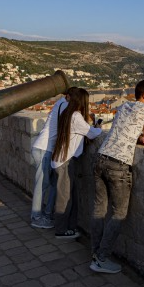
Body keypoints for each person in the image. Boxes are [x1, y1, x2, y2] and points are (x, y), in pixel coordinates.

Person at [90, 80, 144, 273]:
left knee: (99, 209)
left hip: (101, 157)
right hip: (118, 164)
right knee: (119, 213)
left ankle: (95, 252)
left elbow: (124, 130)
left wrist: (135, 136)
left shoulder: (124, 106)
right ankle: (101, 259)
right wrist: (141, 138)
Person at [50, 88, 101, 240]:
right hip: (65, 162)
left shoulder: (67, 113)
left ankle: (69, 227)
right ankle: (61, 230)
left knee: (68, 195)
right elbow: (92, 133)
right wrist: (98, 128)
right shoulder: (76, 117)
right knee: (65, 198)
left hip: (61, 159)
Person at [30, 87, 79, 229]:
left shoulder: (60, 104)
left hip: (48, 150)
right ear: (68, 96)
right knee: (42, 185)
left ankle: (47, 214)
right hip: (43, 149)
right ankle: (36, 217)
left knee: (53, 185)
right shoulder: (64, 105)